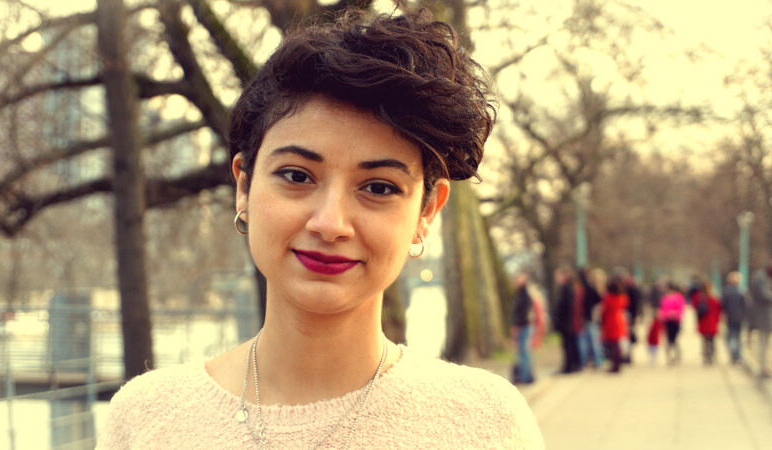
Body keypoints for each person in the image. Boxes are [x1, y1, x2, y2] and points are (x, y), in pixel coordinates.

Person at [96, 8, 544, 449]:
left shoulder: (485, 425)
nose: (330, 224)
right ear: (244, 188)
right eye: (296, 176)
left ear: (427, 212)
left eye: (379, 187)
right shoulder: (146, 419)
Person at [553, 266, 582, 374]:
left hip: (566, 323)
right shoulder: (567, 288)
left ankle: (569, 366)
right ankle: (570, 365)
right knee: (568, 345)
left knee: (568, 345)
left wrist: (560, 320)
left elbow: (566, 307)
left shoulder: (567, 288)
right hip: (567, 322)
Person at [511, 272, 535, 384]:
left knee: (524, 352)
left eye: (518, 279)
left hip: (524, 327)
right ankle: (526, 375)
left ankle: (526, 376)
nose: (515, 281)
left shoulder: (525, 294)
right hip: (522, 326)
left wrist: (518, 325)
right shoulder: (520, 294)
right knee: (522, 352)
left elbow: (525, 313)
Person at [749, 264, 772, 379]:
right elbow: (764, 295)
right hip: (763, 317)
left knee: (764, 343)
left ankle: (763, 368)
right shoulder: (761, 278)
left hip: (763, 316)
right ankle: (762, 369)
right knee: (763, 343)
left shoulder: (760, 277)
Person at [600, 277, 628, 373]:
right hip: (619, 320)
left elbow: (604, 312)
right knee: (616, 344)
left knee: (614, 345)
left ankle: (615, 366)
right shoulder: (622, 298)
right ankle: (617, 364)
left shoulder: (608, 299)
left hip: (611, 322)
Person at [577, 268, 603, 368]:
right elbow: (599, 300)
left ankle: (586, 361)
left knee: (586, 340)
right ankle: (597, 360)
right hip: (591, 317)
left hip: (586, 317)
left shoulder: (584, 288)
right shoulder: (592, 288)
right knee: (593, 340)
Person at [691, 279, 721, 365]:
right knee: (711, 339)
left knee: (704, 339)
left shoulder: (698, 297)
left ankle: (705, 355)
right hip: (711, 320)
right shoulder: (713, 297)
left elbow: (695, 307)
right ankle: (711, 355)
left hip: (703, 321)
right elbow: (718, 309)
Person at [722, 271, 746, 364]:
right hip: (739, 318)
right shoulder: (741, 292)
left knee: (731, 337)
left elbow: (723, 306)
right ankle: (737, 355)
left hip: (730, 318)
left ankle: (735, 354)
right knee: (737, 337)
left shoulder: (726, 291)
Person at [659, 283, 686, 365]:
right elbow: (662, 309)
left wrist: (675, 314)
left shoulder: (679, 297)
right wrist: (666, 315)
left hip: (675, 321)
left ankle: (676, 355)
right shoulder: (664, 298)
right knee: (668, 340)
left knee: (674, 340)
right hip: (667, 321)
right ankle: (669, 357)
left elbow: (681, 309)